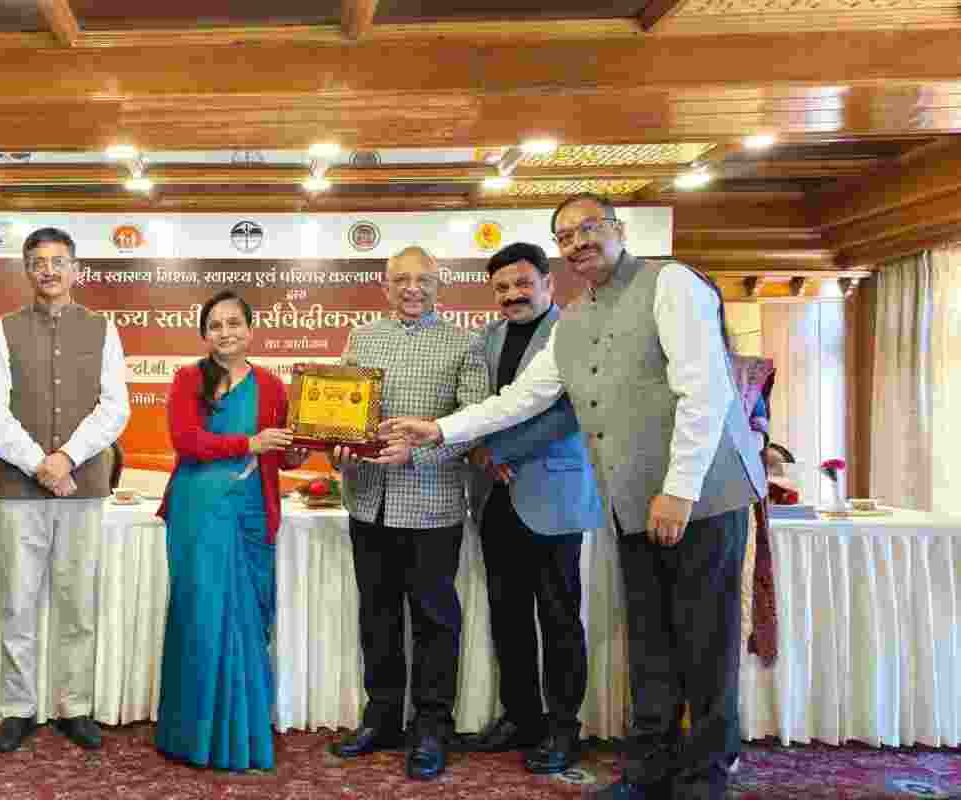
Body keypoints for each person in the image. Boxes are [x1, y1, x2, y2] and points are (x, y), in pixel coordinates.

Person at [382, 193, 767, 800]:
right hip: (633, 502)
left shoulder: (672, 284)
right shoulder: (578, 317)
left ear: (617, 229)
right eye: (566, 235)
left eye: (589, 228)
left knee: (704, 642)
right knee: (649, 642)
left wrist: (679, 489)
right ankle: (648, 772)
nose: (579, 241)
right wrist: (440, 429)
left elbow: (706, 390)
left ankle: (704, 779)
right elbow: (522, 399)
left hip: (701, 499)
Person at [327, 245, 488, 781]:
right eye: (401, 279)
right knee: (377, 616)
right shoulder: (361, 339)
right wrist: (337, 444)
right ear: (385, 284)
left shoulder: (464, 344)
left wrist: (417, 451)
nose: (412, 288)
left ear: (440, 284)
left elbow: (472, 425)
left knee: (434, 622)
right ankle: (383, 718)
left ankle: (431, 727)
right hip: (368, 501)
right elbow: (340, 411)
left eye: (422, 279)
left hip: (432, 507)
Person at [0, 227, 130, 753]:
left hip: (83, 486)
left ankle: (75, 706)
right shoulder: (2, 329)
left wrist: (67, 458)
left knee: (78, 605)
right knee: (17, 605)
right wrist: (40, 463)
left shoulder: (103, 329)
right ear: (26, 269)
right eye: (39, 262)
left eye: (59, 261)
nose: (49, 270)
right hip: (17, 491)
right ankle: (18, 708)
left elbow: (115, 407)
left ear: (76, 269)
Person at [451, 242, 602, 775]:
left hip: (553, 495)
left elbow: (571, 410)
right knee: (508, 615)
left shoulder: (574, 333)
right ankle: (521, 718)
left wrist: (499, 451)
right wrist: (477, 452)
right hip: (494, 496)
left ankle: (564, 728)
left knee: (559, 617)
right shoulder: (486, 338)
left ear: (547, 283)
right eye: (502, 288)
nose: (513, 295)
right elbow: (474, 407)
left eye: (523, 284)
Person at [156, 290, 309, 771]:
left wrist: (297, 452)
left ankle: (242, 730)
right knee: (201, 615)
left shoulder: (271, 384)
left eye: (235, 323)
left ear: (250, 328)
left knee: (247, 618)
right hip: (200, 509)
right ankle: (192, 734)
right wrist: (250, 442)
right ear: (205, 334)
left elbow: (283, 451)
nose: (226, 332)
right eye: (216, 325)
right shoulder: (187, 379)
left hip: (250, 509)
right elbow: (186, 441)